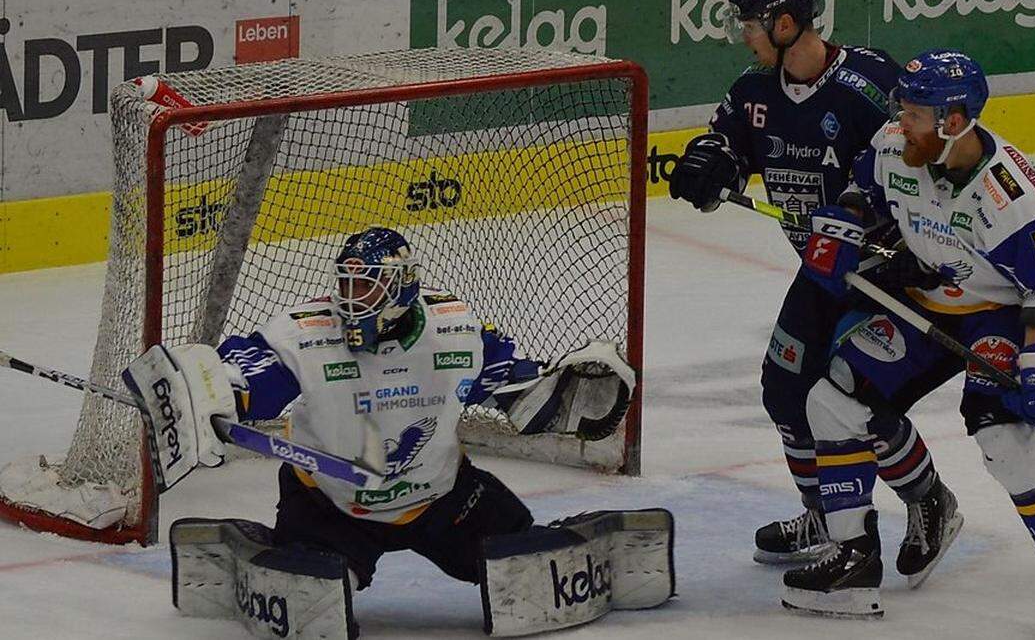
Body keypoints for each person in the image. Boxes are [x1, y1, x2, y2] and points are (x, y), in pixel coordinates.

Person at [124, 227, 649, 636]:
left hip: (444, 498)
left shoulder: (455, 328)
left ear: (402, 286)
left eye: (368, 285)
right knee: (315, 600)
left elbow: (517, 391)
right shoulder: (306, 332)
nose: (353, 298)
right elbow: (248, 375)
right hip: (329, 504)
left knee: (523, 570)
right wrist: (205, 396)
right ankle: (259, 549)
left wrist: (563, 396)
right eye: (347, 283)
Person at [786, 49, 1035, 639]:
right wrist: (842, 228)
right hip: (927, 299)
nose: (898, 123)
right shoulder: (894, 145)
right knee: (832, 401)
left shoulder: (1011, 195)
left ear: (953, 122)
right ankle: (854, 559)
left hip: (997, 314)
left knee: (1003, 436)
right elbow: (866, 190)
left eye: (912, 114)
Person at [669, 0, 961, 584]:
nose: (742, 34)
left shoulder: (870, 82)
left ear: (785, 23)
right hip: (823, 272)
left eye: (750, 23)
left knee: (850, 396)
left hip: (890, 274)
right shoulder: (754, 92)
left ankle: (930, 500)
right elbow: (727, 143)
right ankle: (828, 518)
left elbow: (927, 161)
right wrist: (709, 164)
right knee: (784, 390)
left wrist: (905, 233)